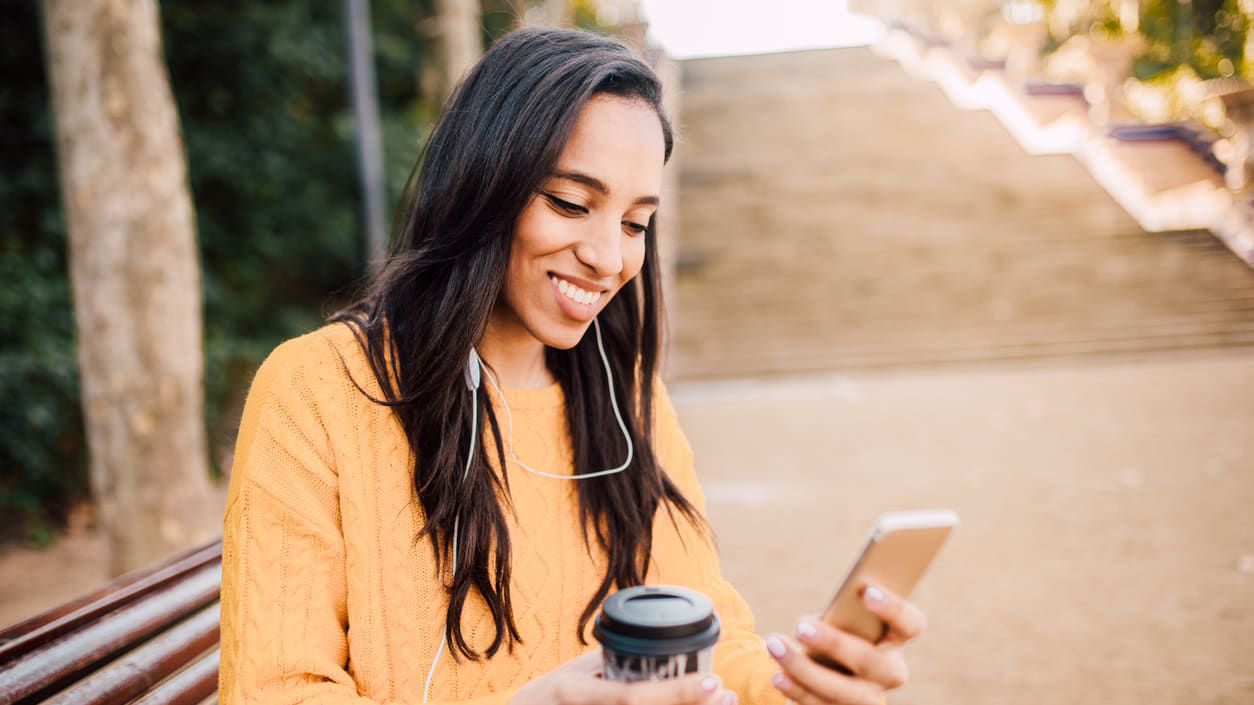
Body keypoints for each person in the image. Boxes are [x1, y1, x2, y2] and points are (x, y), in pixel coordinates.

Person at [218, 27, 925, 705]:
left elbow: (708, 639)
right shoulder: (317, 390)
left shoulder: (627, 400)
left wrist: (795, 686)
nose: (608, 257)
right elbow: (274, 691)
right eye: (570, 202)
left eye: (633, 223)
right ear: (482, 184)